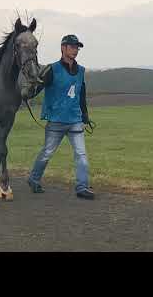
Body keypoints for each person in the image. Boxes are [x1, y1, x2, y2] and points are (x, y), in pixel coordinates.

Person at [28, 34, 95, 200]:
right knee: (47, 153)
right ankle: (33, 179)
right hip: (56, 120)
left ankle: (82, 187)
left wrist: (85, 115)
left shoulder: (80, 71)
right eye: (72, 46)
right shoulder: (52, 69)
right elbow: (38, 88)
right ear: (63, 48)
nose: (75, 50)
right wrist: (26, 94)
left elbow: (81, 94)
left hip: (75, 120)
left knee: (81, 155)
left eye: (77, 47)